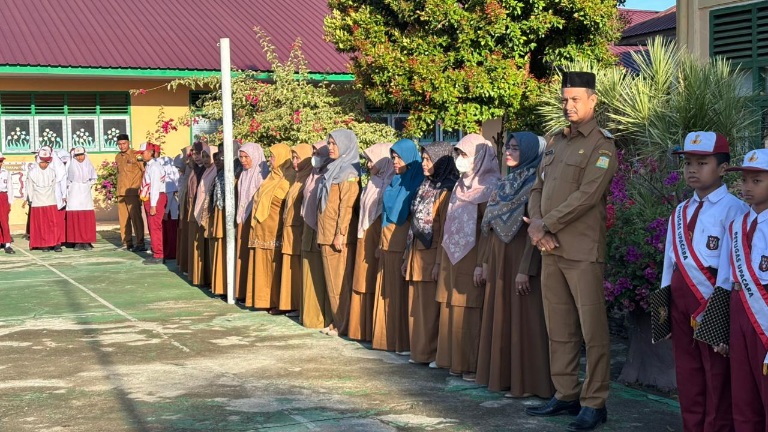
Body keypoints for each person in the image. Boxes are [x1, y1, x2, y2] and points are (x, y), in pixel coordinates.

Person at [524, 71, 618, 432]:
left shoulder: (602, 145)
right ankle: (566, 393)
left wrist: (544, 225)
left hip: (581, 250)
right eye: (564, 99)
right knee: (559, 327)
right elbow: (538, 187)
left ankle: (595, 402)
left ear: (593, 100)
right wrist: (537, 226)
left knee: (592, 331)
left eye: (576, 99)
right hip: (550, 248)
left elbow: (588, 196)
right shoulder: (555, 141)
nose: (568, 106)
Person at [660, 131, 745, 432]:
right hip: (681, 299)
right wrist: (663, 310)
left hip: (712, 298)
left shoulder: (734, 209)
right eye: (688, 163)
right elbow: (668, 261)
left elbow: (734, 265)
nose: (693, 169)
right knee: (688, 373)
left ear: (722, 168)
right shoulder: (680, 211)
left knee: (716, 376)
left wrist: (721, 310)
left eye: (702, 162)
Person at [477, 132, 554, 398]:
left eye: (515, 149)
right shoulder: (505, 182)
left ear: (531, 152)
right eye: (507, 148)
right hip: (500, 259)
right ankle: (503, 378)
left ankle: (529, 383)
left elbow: (537, 230)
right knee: (502, 317)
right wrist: (485, 262)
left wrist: (525, 269)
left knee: (525, 320)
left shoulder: (536, 183)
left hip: (523, 258)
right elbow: (490, 228)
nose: (508, 153)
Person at [435, 134, 500, 381]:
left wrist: (482, 263)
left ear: (479, 157)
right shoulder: (460, 186)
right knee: (452, 308)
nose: (460, 160)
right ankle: (452, 360)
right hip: (453, 257)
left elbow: (488, 230)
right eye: (458, 154)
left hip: (473, 257)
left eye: (465, 155)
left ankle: (471, 365)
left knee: (470, 310)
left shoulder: (491, 187)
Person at [716, 148, 768, 431]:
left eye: (756, 181)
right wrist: (721, 326)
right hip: (738, 309)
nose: (747, 187)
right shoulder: (737, 224)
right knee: (743, 393)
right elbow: (725, 277)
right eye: (744, 180)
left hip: (764, 311)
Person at [403, 141, 457, 365]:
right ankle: (419, 351)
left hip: (431, 255)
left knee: (430, 310)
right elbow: (413, 221)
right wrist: (407, 256)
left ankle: (432, 353)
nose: (424, 163)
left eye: (429, 159)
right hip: (417, 253)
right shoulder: (425, 186)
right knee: (417, 307)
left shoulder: (446, 190)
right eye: (423, 159)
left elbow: (444, 229)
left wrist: (437, 263)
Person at [372, 138, 424, 352]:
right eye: (393, 157)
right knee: (386, 290)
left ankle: (401, 341)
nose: (395, 161)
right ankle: (386, 340)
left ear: (410, 158)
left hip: (402, 242)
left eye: (399, 157)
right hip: (387, 240)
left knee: (398, 294)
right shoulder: (396, 180)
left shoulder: (417, 180)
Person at [316, 129, 361, 336]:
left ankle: (343, 324)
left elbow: (347, 206)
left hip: (337, 235)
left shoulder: (349, 173)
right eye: (329, 143)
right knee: (332, 282)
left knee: (339, 282)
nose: (330, 147)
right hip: (326, 232)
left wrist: (341, 233)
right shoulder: (333, 168)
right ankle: (337, 321)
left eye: (334, 144)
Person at [349, 142, 394, 342]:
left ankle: (373, 330)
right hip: (364, 234)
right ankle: (361, 329)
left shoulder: (391, 182)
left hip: (377, 235)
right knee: (362, 279)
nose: (368, 164)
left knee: (373, 281)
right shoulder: (372, 182)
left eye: (371, 159)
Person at [248, 143, 293, 311]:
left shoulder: (290, 177)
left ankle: (275, 302)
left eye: (273, 156)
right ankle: (262, 300)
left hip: (276, 231)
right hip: (262, 230)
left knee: (274, 267)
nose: (270, 159)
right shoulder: (271, 177)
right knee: (262, 267)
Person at [301, 140, 333, 329]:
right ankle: (311, 317)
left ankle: (323, 317)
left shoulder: (330, 175)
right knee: (310, 274)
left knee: (322, 277)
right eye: (313, 153)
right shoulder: (312, 175)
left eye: (318, 153)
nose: (315, 157)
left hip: (321, 231)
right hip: (308, 230)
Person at [279, 143, 313, 316]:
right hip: (291, 229)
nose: (294, 161)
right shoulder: (298, 177)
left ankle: (299, 305)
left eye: (298, 157)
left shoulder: (308, 178)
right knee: (292, 267)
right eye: (293, 157)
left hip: (300, 230)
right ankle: (291, 304)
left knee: (299, 268)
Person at [235, 143, 268, 301]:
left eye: (246, 157)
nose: (243, 160)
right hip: (242, 218)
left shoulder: (262, 174)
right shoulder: (244, 174)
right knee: (242, 255)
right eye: (241, 157)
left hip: (253, 220)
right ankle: (241, 291)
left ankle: (250, 294)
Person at [24, 148, 61, 252]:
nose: (44, 164)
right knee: (41, 224)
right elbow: (30, 187)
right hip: (38, 202)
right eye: (42, 161)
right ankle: (44, 244)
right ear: (38, 160)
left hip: (51, 201)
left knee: (53, 223)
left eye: (46, 162)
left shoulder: (52, 172)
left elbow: (54, 187)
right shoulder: (32, 173)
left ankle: (55, 243)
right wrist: (31, 200)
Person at [191, 145, 217, 285]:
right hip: (203, 210)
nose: (205, 159)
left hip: (209, 213)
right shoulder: (207, 172)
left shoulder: (214, 172)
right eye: (204, 156)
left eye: (208, 156)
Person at [114, 134, 146, 252]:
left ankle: (140, 242)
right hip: (121, 192)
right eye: (119, 144)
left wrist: (142, 188)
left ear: (129, 142)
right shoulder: (118, 157)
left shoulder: (136, 155)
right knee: (123, 219)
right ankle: (126, 242)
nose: (122, 146)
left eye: (124, 143)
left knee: (136, 218)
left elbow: (144, 171)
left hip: (133, 191)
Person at [139, 142, 167, 265]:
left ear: (150, 152)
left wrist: (153, 205)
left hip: (155, 198)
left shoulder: (154, 167)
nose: (141, 155)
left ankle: (159, 254)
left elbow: (155, 187)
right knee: (152, 226)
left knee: (155, 226)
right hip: (150, 198)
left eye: (143, 152)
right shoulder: (150, 166)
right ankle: (156, 251)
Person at [65, 146, 97, 251]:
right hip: (74, 192)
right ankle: (77, 241)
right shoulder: (71, 165)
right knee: (75, 217)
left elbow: (93, 177)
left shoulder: (89, 164)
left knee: (86, 217)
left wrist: (87, 184)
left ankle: (87, 241)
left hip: (85, 193)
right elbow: (67, 180)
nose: (80, 158)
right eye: (77, 156)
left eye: (81, 155)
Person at [0, 152, 15, 254]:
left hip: (3, 196)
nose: (0, 163)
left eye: (1, 161)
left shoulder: (6, 172)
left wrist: (10, 201)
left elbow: (10, 187)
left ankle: (7, 244)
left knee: (4, 221)